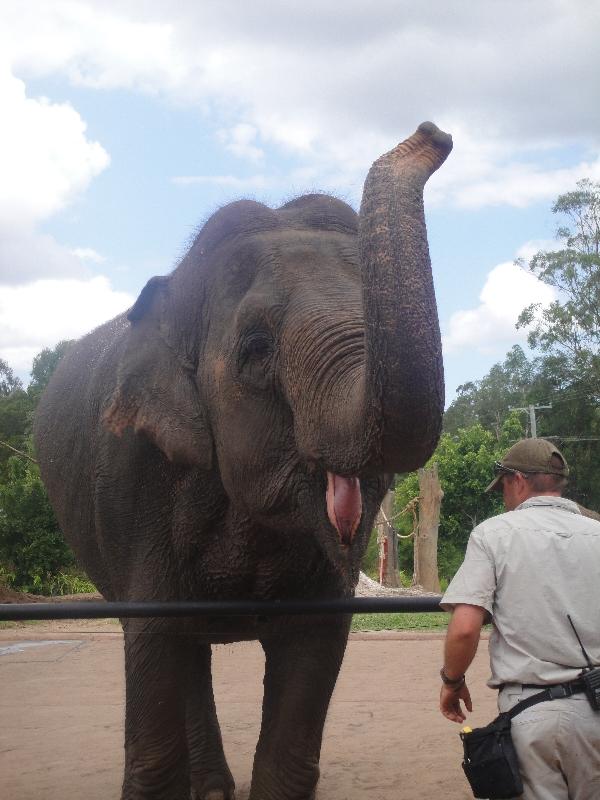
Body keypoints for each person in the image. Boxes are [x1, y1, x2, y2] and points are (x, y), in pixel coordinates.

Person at [438, 437, 600, 799]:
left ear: (518, 480)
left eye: (503, 489)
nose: (504, 498)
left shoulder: (493, 534)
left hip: (535, 714)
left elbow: (465, 629)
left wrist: (451, 681)